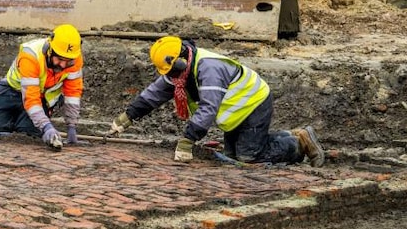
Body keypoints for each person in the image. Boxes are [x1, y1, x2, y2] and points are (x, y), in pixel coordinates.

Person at [107, 35, 324, 166]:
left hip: (252, 105)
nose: (170, 76)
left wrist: (187, 141)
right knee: (231, 156)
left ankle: (297, 144)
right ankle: (292, 135)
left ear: (182, 61)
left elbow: (208, 108)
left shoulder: (208, 69)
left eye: (172, 71)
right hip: (237, 113)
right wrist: (126, 117)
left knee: (248, 158)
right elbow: (154, 93)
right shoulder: (180, 73)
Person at [0, 24, 84, 151]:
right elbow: (30, 97)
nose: (63, 65)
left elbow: (72, 94)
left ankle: (22, 123)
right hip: (11, 93)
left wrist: (71, 126)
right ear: (49, 50)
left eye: (68, 61)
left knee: (30, 134)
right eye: (59, 59)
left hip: (40, 99)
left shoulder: (74, 59)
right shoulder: (31, 55)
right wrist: (46, 126)